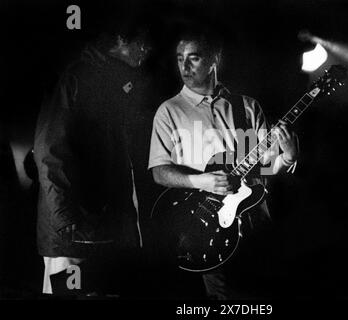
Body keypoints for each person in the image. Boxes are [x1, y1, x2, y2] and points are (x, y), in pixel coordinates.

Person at [148, 26, 299, 299]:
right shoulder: (169, 111)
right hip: (209, 229)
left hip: (256, 226)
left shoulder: (247, 106)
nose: (184, 65)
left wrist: (288, 155)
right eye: (180, 57)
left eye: (193, 57)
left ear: (213, 59)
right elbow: (159, 172)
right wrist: (202, 180)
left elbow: (268, 165)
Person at [34, 21, 157, 297]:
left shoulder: (117, 81)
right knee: (70, 293)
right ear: (122, 39)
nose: (147, 50)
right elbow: (49, 150)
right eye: (143, 42)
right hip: (74, 233)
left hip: (104, 228)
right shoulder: (75, 77)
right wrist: (64, 217)